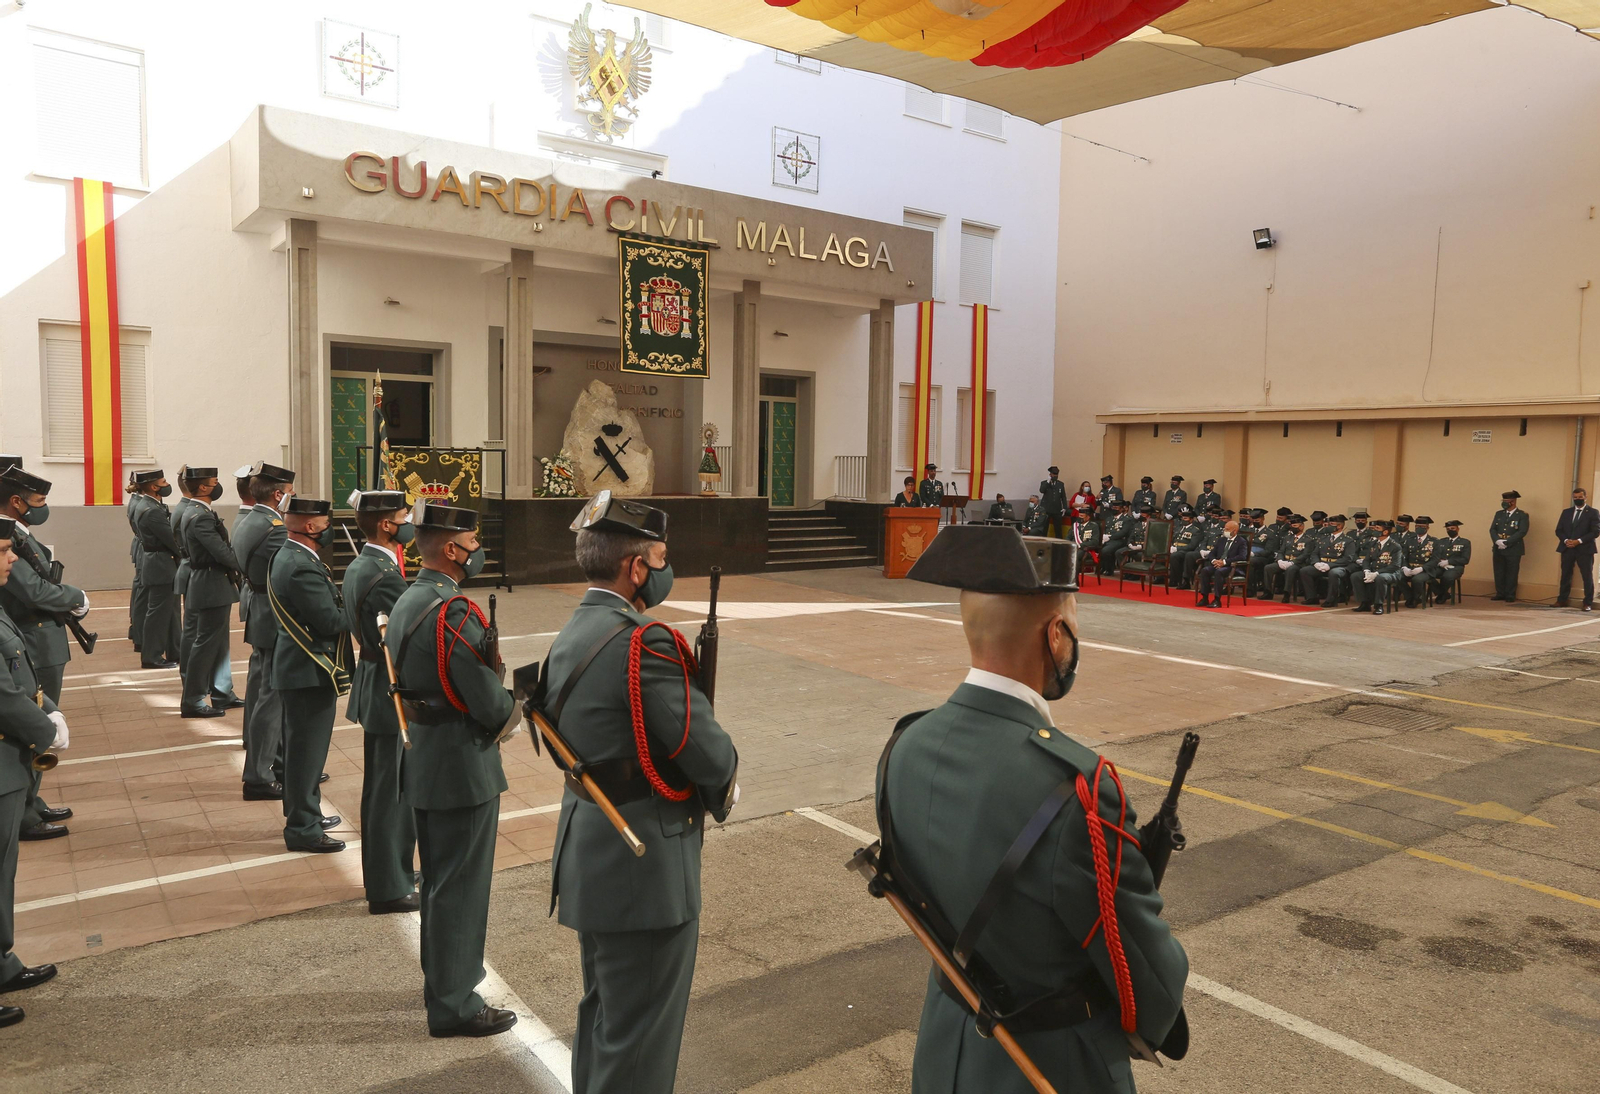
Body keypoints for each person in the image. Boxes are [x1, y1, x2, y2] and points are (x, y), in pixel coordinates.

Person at [889, 525, 1189, 1093]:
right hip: (1045, 1066)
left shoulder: (907, 745)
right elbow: (1143, 975)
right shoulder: (1079, 785)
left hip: (944, 1050)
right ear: (1056, 637)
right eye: (1072, 627)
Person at [543, 492, 739, 1091]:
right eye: (660, 557)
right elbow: (708, 753)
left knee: (605, 1017)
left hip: (591, 848)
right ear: (636, 568)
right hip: (643, 862)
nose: (664, 568)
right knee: (640, 1040)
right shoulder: (644, 641)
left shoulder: (572, 632)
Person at [387, 502, 520, 1038]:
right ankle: (455, 1004)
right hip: (461, 765)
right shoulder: (455, 612)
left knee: (442, 883)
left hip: (423, 756)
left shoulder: (408, 600)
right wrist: (514, 705)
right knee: (460, 888)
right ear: (450, 548)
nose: (476, 549)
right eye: (470, 541)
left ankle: (440, 984)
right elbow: (487, 704)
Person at [0, 516, 66, 1027]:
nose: (12, 561)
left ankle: (1, 962)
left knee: (4, 873)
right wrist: (43, 729)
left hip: (9, 762)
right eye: (4, 552)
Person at [342, 490, 419, 914]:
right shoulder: (385, 575)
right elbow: (406, 639)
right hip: (387, 685)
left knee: (393, 787)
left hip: (376, 679)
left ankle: (398, 870)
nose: (410, 520)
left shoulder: (365, 563)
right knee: (387, 792)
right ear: (388, 525)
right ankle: (387, 887)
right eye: (405, 515)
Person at [0, 466, 86, 840]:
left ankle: (30, 802)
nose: (43, 508)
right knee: (35, 729)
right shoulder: (6, 536)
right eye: (38, 502)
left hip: (38, 637)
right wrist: (76, 597)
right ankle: (23, 815)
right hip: (32, 639)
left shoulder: (17, 532)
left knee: (41, 724)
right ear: (16, 501)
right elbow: (33, 590)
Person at [268, 496, 349, 854]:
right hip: (308, 670)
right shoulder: (301, 565)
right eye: (326, 522)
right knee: (306, 756)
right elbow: (330, 621)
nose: (329, 527)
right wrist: (363, 611)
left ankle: (306, 813)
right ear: (312, 526)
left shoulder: (291, 555)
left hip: (300, 668)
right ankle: (303, 828)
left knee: (304, 753)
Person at [234, 462, 294, 801]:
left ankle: (278, 762)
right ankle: (258, 774)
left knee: (263, 694)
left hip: (260, 610)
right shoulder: (275, 528)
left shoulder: (249, 518)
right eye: (290, 493)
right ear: (277, 494)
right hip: (273, 614)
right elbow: (287, 574)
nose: (292, 498)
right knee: (271, 699)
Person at [178, 468, 245, 719]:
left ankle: (221, 693)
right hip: (210, 583)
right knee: (205, 645)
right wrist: (244, 565)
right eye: (214, 483)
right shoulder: (200, 517)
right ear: (204, 488)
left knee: (216, 644)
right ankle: (193, 700)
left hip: (210, 582)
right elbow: (221, 552)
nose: (218, 486)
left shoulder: (195, 511)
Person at [1555, 487, 1598, 610]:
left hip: (1585, 548)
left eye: (1580, 497)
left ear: (1585, 497)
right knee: (1565, 575)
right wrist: (1566, 540)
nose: (1578, 500)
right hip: (1567, 548)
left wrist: (1578, 541)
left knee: (1587, 575)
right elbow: (1559, 530)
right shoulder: (1566, 512)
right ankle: (1562, 599)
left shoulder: (1593, 512)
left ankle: (1587, 602)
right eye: (1575, 498)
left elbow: (1595, 532)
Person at [1303, 515, 1356, 608]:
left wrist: (1330, 565)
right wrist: (1316, 563)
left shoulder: (1348, 540)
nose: (1327, 526)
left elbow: (1348, 558)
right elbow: (1314, 553)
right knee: (1305, 571)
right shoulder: (1323, 538)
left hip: (1339, 566)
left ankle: (1331, 600)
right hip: (1322, 564)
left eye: (1331, 524)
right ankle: (1312, 597)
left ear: (1339, 526)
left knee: (1334, 573)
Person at [1353, 522, 1405, 615]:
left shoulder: (1395, 546)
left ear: (1385, 532)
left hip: (1390, 572)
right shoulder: (1373, 544)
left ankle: (1379, 605)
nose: (1374, 530)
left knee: (1381, 578)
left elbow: (1395, 565)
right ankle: (1364, 603)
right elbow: (1367, 560)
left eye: (1377, 529)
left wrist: (1376, 573)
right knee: (1356, 576)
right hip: (1373, 570)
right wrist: (1366, 570)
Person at [1198, 519, 1249, 606]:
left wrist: (1224, 562)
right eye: (1225, 529)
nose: (1225, 531)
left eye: (1227, 529)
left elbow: (1242, 556)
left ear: (1235, 531)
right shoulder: (1222, 540)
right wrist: (1214, 561)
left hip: (1232, 566)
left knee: (1219, 572)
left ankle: (1217, 600)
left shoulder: (1241, 541)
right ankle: (1205, 598)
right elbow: (1212, 553)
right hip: (1218, 564)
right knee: (1205, 570)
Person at [1490, 491, 1529, 602]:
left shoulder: (1522, 515)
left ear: (1513, 502)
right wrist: (1497, 541)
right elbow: (1492, 529)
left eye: (1507, 501)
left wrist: (1507, 542)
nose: (1505, 504)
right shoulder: (1499, 514)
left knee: (1512, 572)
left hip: (1513, 548)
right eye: (1504, 501)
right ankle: (1500, 593)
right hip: (1498, 547)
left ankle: (1510, 594)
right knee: (1499, 571)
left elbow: (1522, 531)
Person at [126, 473, 148, 653]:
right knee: (142, 593)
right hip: (144, 547)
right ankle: (140, 634)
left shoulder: (136, 500)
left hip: (141, 545)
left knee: (139, 590)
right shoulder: (140, 503)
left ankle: (136, 629)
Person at [1273, 515, 1313, 603]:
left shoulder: (1308, 540)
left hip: (1298, 563)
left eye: (1295, 526)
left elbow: (1305, 555)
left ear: (1301, 526)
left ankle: (1286, 594)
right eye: (1292, 526)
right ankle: (1268, 592)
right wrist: (1280, 560)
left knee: (1290, 570)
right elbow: (1281, 551)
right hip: (1284, 561)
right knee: (1268, 568)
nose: (1293, 528)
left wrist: (1292, 562)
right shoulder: (1287, 538)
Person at [1430, 520, 1472, 601]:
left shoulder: (1465, 542)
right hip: (1441, 566)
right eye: (1448, 529)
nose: (1450, 530)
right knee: (1427, 574)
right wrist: (1440, 562)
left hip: (1455, 567)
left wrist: (1449, 562)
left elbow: (1465, 559)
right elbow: (1435, 554)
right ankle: (1443, 593)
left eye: (1453, 528)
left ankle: (1441, 595)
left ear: (1458, 529)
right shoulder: (1441, 541)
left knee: (1448, 577)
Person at [1401, 517, 1438, 608]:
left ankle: (1416, 598)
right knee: (1397, 577)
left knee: (1417, 579)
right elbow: (1404, 556)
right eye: (1417, 526)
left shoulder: (1434, 541)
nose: (1419, 528)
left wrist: (1422, 568)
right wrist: (1405, 567)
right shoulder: (1409, 540)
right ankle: (1410, 597)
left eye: (1422, 526)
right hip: (1410, 568)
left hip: (1426, 570)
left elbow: (1435, 559)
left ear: (1427, 528)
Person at [1098, 500, 1135, 576]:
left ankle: (1109, 569)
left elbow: (1123, 532)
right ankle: (1102, 567)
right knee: (1098, 547)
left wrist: (1110, 537)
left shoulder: (1126, 519)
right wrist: (1103, 536)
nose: (1114, 509)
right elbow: (1105, 529)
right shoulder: (1109, 519)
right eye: (1113, 507)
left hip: (1120, 541)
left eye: (1116, 508)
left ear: (1121, 509)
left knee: (1106, 550)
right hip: (1107, 540)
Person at [1167, 507, 1201, 590]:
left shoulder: (1195, 530)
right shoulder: (1179, 528)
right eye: (1182, 518)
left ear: (1191, 520)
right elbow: (1173, 539)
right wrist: (1171, 546)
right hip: (1175, 549)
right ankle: (1168, 578)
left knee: (1175, 556)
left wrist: (1177, 548)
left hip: (1186, 551)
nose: (1183, 520)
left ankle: (1181, 580)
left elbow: (1192, 545)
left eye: (1185, 518)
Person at [1038, 467, 1068, 539]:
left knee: (1058, 529)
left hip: (1057, 509)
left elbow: (1063, 497)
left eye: (1056, 474)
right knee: (1045, 528)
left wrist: (1064, 507)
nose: (1055, 476)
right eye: (1053, 474)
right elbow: (1042, 490)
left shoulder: (1060, 484)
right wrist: (1048, 482)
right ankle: (1043, 542)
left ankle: (1059, 544)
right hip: (1046, 509)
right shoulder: (1044, 483)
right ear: (1050, 474)